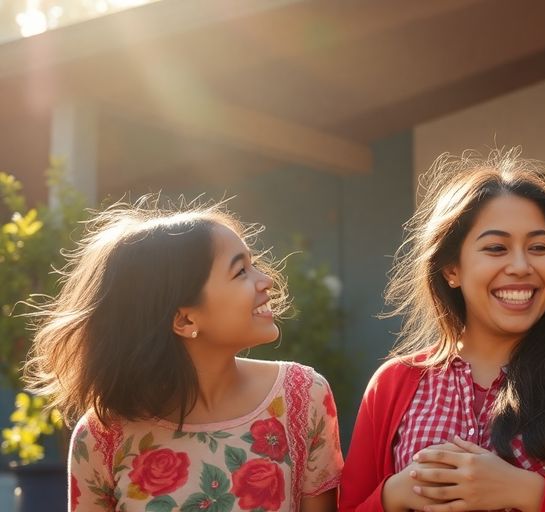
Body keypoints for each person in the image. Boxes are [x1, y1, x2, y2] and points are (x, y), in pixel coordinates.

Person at [338, 150, 545, 512]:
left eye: (539, 247)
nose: (521, 266)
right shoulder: (394, 383)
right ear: (451, 270)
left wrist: (527, 492)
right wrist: (394, 494)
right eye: (496, 248)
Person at [22, 199, 344, 512]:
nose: (267, 281)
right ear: (185, 320)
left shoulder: (303, 396)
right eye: (241, 271)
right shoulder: (101, 435)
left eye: (253, 263)